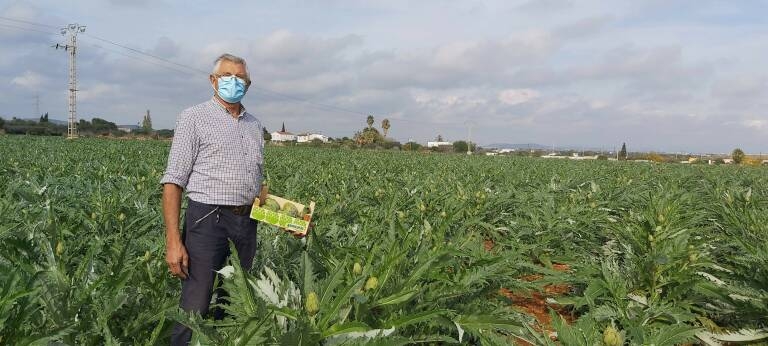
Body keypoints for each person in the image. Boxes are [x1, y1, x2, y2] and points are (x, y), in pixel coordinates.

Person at [160, 53, 264, 345]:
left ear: (248, 84)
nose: (234, 82)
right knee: (196, 305)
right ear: (213, 80)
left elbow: (258, 187)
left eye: (240, 78)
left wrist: (288, 217)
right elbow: (173, 181)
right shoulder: (194, 117)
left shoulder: (255, 126)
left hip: (247, 223)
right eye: (227, 76)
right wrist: (173, 241)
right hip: (208, 220)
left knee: (234, 303)